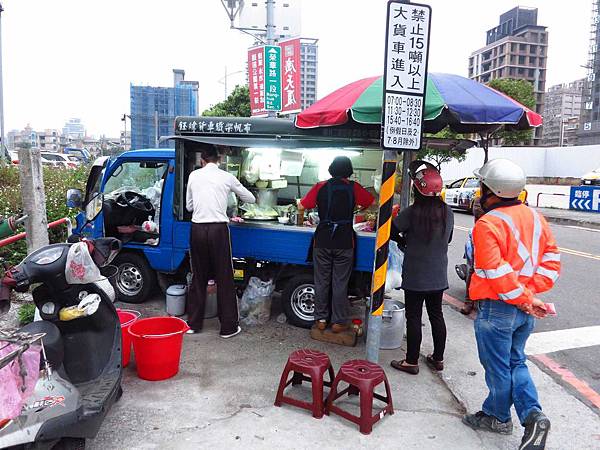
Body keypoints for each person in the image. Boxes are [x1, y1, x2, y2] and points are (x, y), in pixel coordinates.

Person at [462, 159, 560, 450]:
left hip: (497, 308)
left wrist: (525, 298)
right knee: (515, 362)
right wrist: (529, 296)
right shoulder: (536, 218)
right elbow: (551, 263)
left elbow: (496, 272)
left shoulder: (488, 223)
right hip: (522, 309)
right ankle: (532, 415)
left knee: (498, 368)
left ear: (489, 190)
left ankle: (501, 417)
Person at [390, 161, 453, 375]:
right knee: (437, 315)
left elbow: (391, 231)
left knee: (414, 317)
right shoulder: (447, 212)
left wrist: (404, 241)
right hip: (437, 275)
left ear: (417, 189)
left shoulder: (412, 212)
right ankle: (438, 359)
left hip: (416, 274)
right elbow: (449, 238)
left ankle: (411, 361)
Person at [185, 145, 256, 338]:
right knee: (224, 277)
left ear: (202, 160)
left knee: (198, 276)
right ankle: (228, 328)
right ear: (219, 160)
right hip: (218, 230)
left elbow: (189, 206)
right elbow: (250, 198)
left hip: (197, 229)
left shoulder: (194, 176)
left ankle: (193, 324)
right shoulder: (226, 177)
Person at [299, 156, 374, 333]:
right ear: (349, 170)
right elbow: (371, 203)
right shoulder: (353, 187)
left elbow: (302, 206)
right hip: (345, 241)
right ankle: (338, 322)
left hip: (323, 240)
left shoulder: (321, 186)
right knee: (340, 283)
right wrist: (358, 209)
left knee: (321, 281)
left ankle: (321, 320)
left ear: (331, 169)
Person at [459, 197, 485, 315]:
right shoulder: (480, 200)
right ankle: (468, 301)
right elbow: (478, 211)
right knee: (473, 269)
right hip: (480, 237)